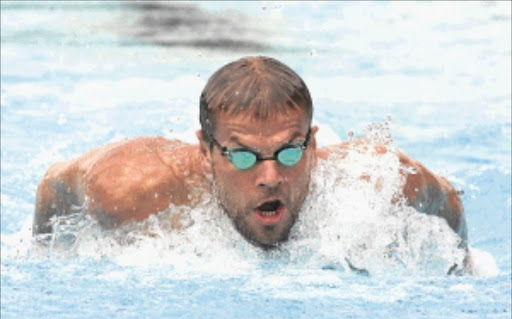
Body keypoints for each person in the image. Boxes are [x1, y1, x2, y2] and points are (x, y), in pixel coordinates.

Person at [33, 56, 467, 255]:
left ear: (313, 145)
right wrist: (43, 257)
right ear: (206, 153)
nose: (270, 176)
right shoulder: (133, 189)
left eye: (290, 152)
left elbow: (446, 198)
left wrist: (461, 269)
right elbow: (54, 183)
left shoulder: (373, 180)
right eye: (243, 157)